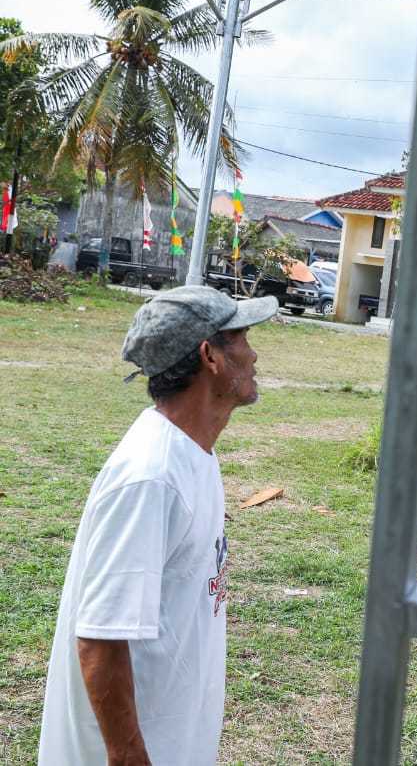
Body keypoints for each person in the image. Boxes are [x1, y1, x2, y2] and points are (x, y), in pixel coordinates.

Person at [39, 286, 277, 766]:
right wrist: (130, 757)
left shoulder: (193, 453)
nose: (254, 354)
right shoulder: (150, 477)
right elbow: (100, 639)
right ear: (210, 356)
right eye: (243, 337)